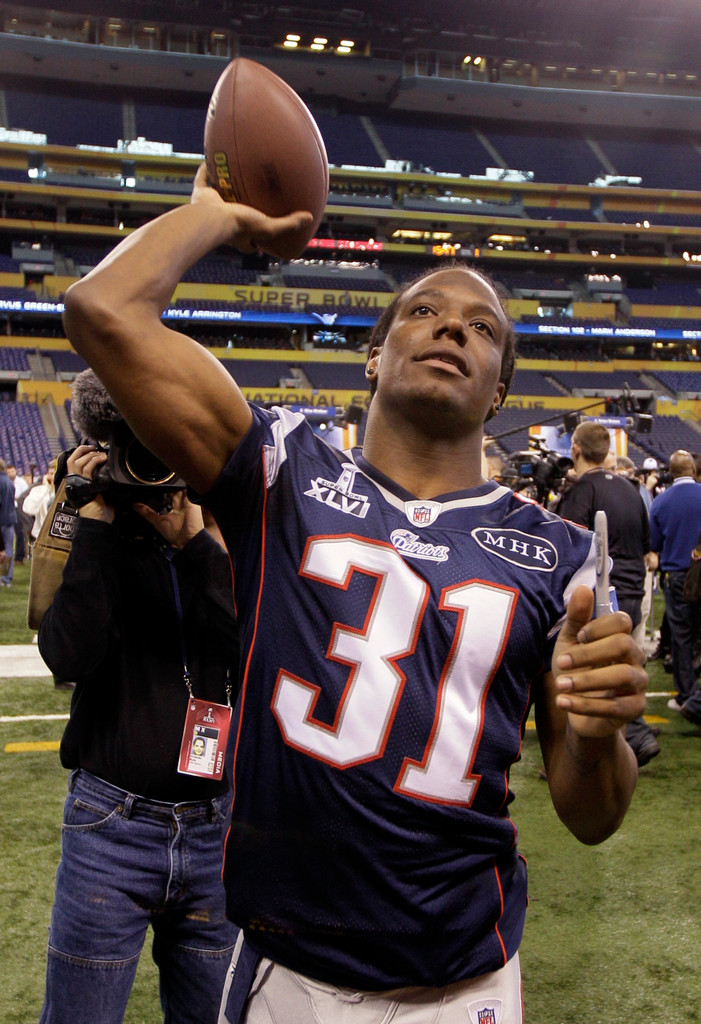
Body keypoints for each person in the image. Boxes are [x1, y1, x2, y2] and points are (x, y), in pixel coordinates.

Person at [60, 165, 647, 1024]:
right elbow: (102, 312)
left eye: (481, 327)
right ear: (373, 355)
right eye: (422, 310)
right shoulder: (276, 469)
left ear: (500, 388)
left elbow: (589, 815)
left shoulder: (556, 555)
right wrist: (209, 216)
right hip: (283, 970)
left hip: (463, 980)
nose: (451, 323)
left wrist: (598, 743)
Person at [37, 370, 240, 1024]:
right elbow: (67, 657)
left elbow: (253, 644)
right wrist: (89, 517)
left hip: (215, 829)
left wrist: (197, 543)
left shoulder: (217, 533)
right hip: (110, 828)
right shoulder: (92, 531)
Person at [556, 422, 659, 765]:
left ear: (575, 450)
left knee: (594, 670)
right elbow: (646, 542)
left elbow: (566, 546)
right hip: (633, 588)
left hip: (601, 592)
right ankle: (637, 731)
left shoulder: (583, 490)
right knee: (616, 662)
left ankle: (634, 736)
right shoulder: (631, 489)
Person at [648, 449, 701, 727]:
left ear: (671, 471)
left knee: (681, 636)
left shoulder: (661, 501)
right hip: (700, 572)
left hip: (677, 574)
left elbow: (653, 544)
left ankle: (687, 695)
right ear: (692, 469)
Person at [0, 457, 17, 587]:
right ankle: (6, 578)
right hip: (10, 518)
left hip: (1, 519)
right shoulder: (10, 482)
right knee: (9, 549)